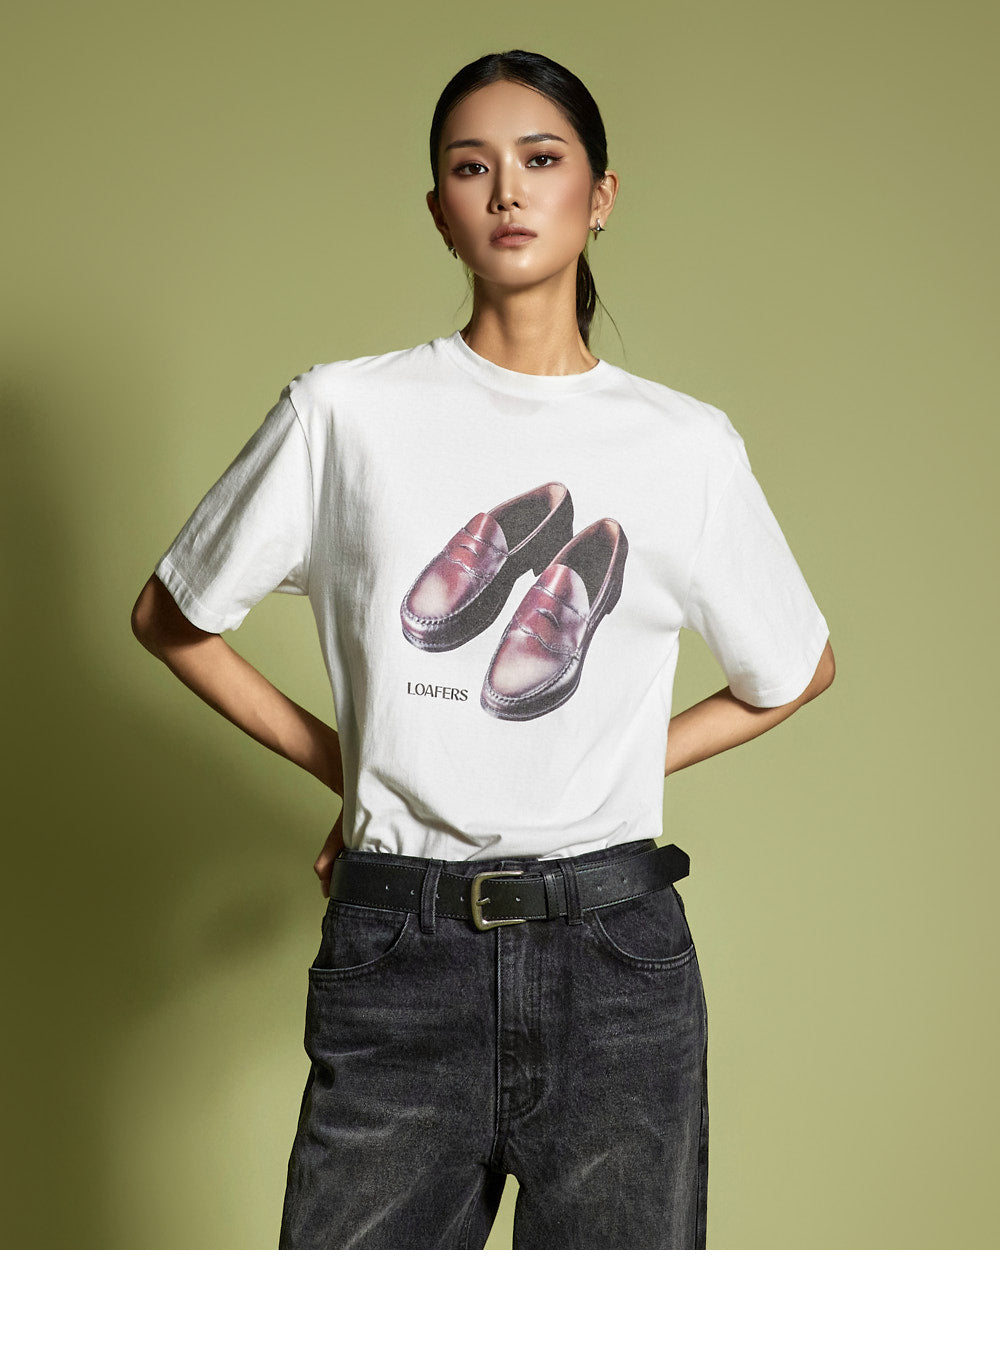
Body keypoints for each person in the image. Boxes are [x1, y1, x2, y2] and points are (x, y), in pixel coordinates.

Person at [131, 49, 835, 1249]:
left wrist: (616, 761)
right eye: (471, 168)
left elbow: (794, 669)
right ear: (438, 211)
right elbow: (173, 617)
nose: (507, 190)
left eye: (540, 159)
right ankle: (515, 549)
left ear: (599, 196)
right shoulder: (345, 414)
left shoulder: (683, 446)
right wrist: (360, 768)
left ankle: (555, 581)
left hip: (616, 958)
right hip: (397, 947)